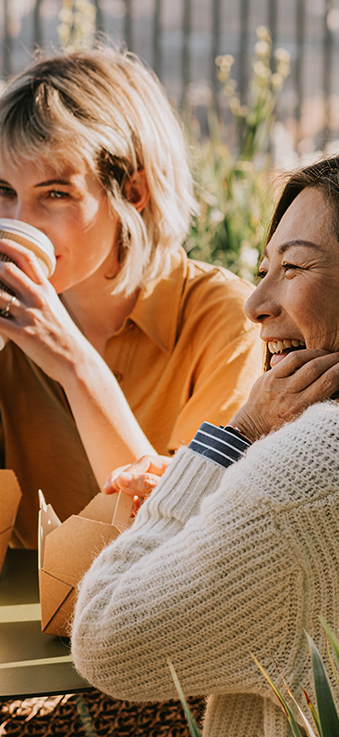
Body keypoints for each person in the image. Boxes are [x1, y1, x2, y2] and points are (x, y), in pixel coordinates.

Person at [0, 46, 262, 547]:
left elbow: (182, 536)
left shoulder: (229, 322)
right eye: (3, 190)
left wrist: (74, 364)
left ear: (133, 193)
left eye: (55, 194)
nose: (19, 221)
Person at [71, 155, 339, 736]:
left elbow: (104, 637)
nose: (255, 304)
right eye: (264, 267)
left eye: (293, 268)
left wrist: (235, 437)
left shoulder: (310, 475)